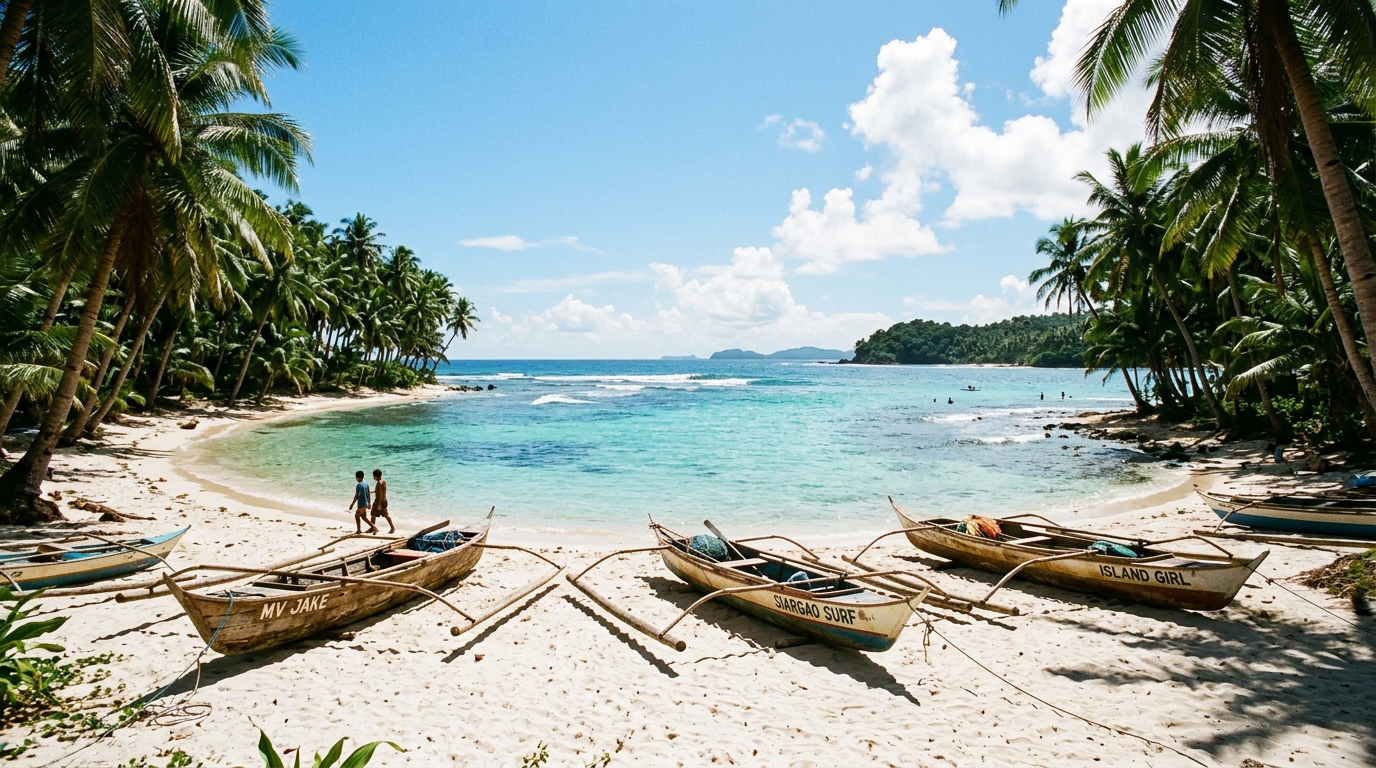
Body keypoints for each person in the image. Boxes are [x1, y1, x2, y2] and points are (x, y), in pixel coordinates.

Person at [347, 470, 376, 534]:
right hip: (365, 503)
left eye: (356, 477)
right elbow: (368, 494)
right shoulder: (366, 484)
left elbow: (357, 496)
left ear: (358, 477)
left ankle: (359, 530)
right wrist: (369, 503)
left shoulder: (358, 485)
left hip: (361, 504)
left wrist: (352, 504)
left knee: (357, 516)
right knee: (363, 517)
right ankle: (374, 527)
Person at [371, 468, 395, 534]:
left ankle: (372, 528)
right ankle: (392, 528)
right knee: (386, 515)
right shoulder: (383, 482)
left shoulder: (379, 483)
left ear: (375, 476)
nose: (373, 477)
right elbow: (379, 491)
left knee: (373, 514)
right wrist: (372, 492)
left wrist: (379, 504)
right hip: (384, 500)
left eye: (373, 476)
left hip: (379, 501)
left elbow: (380, 494)